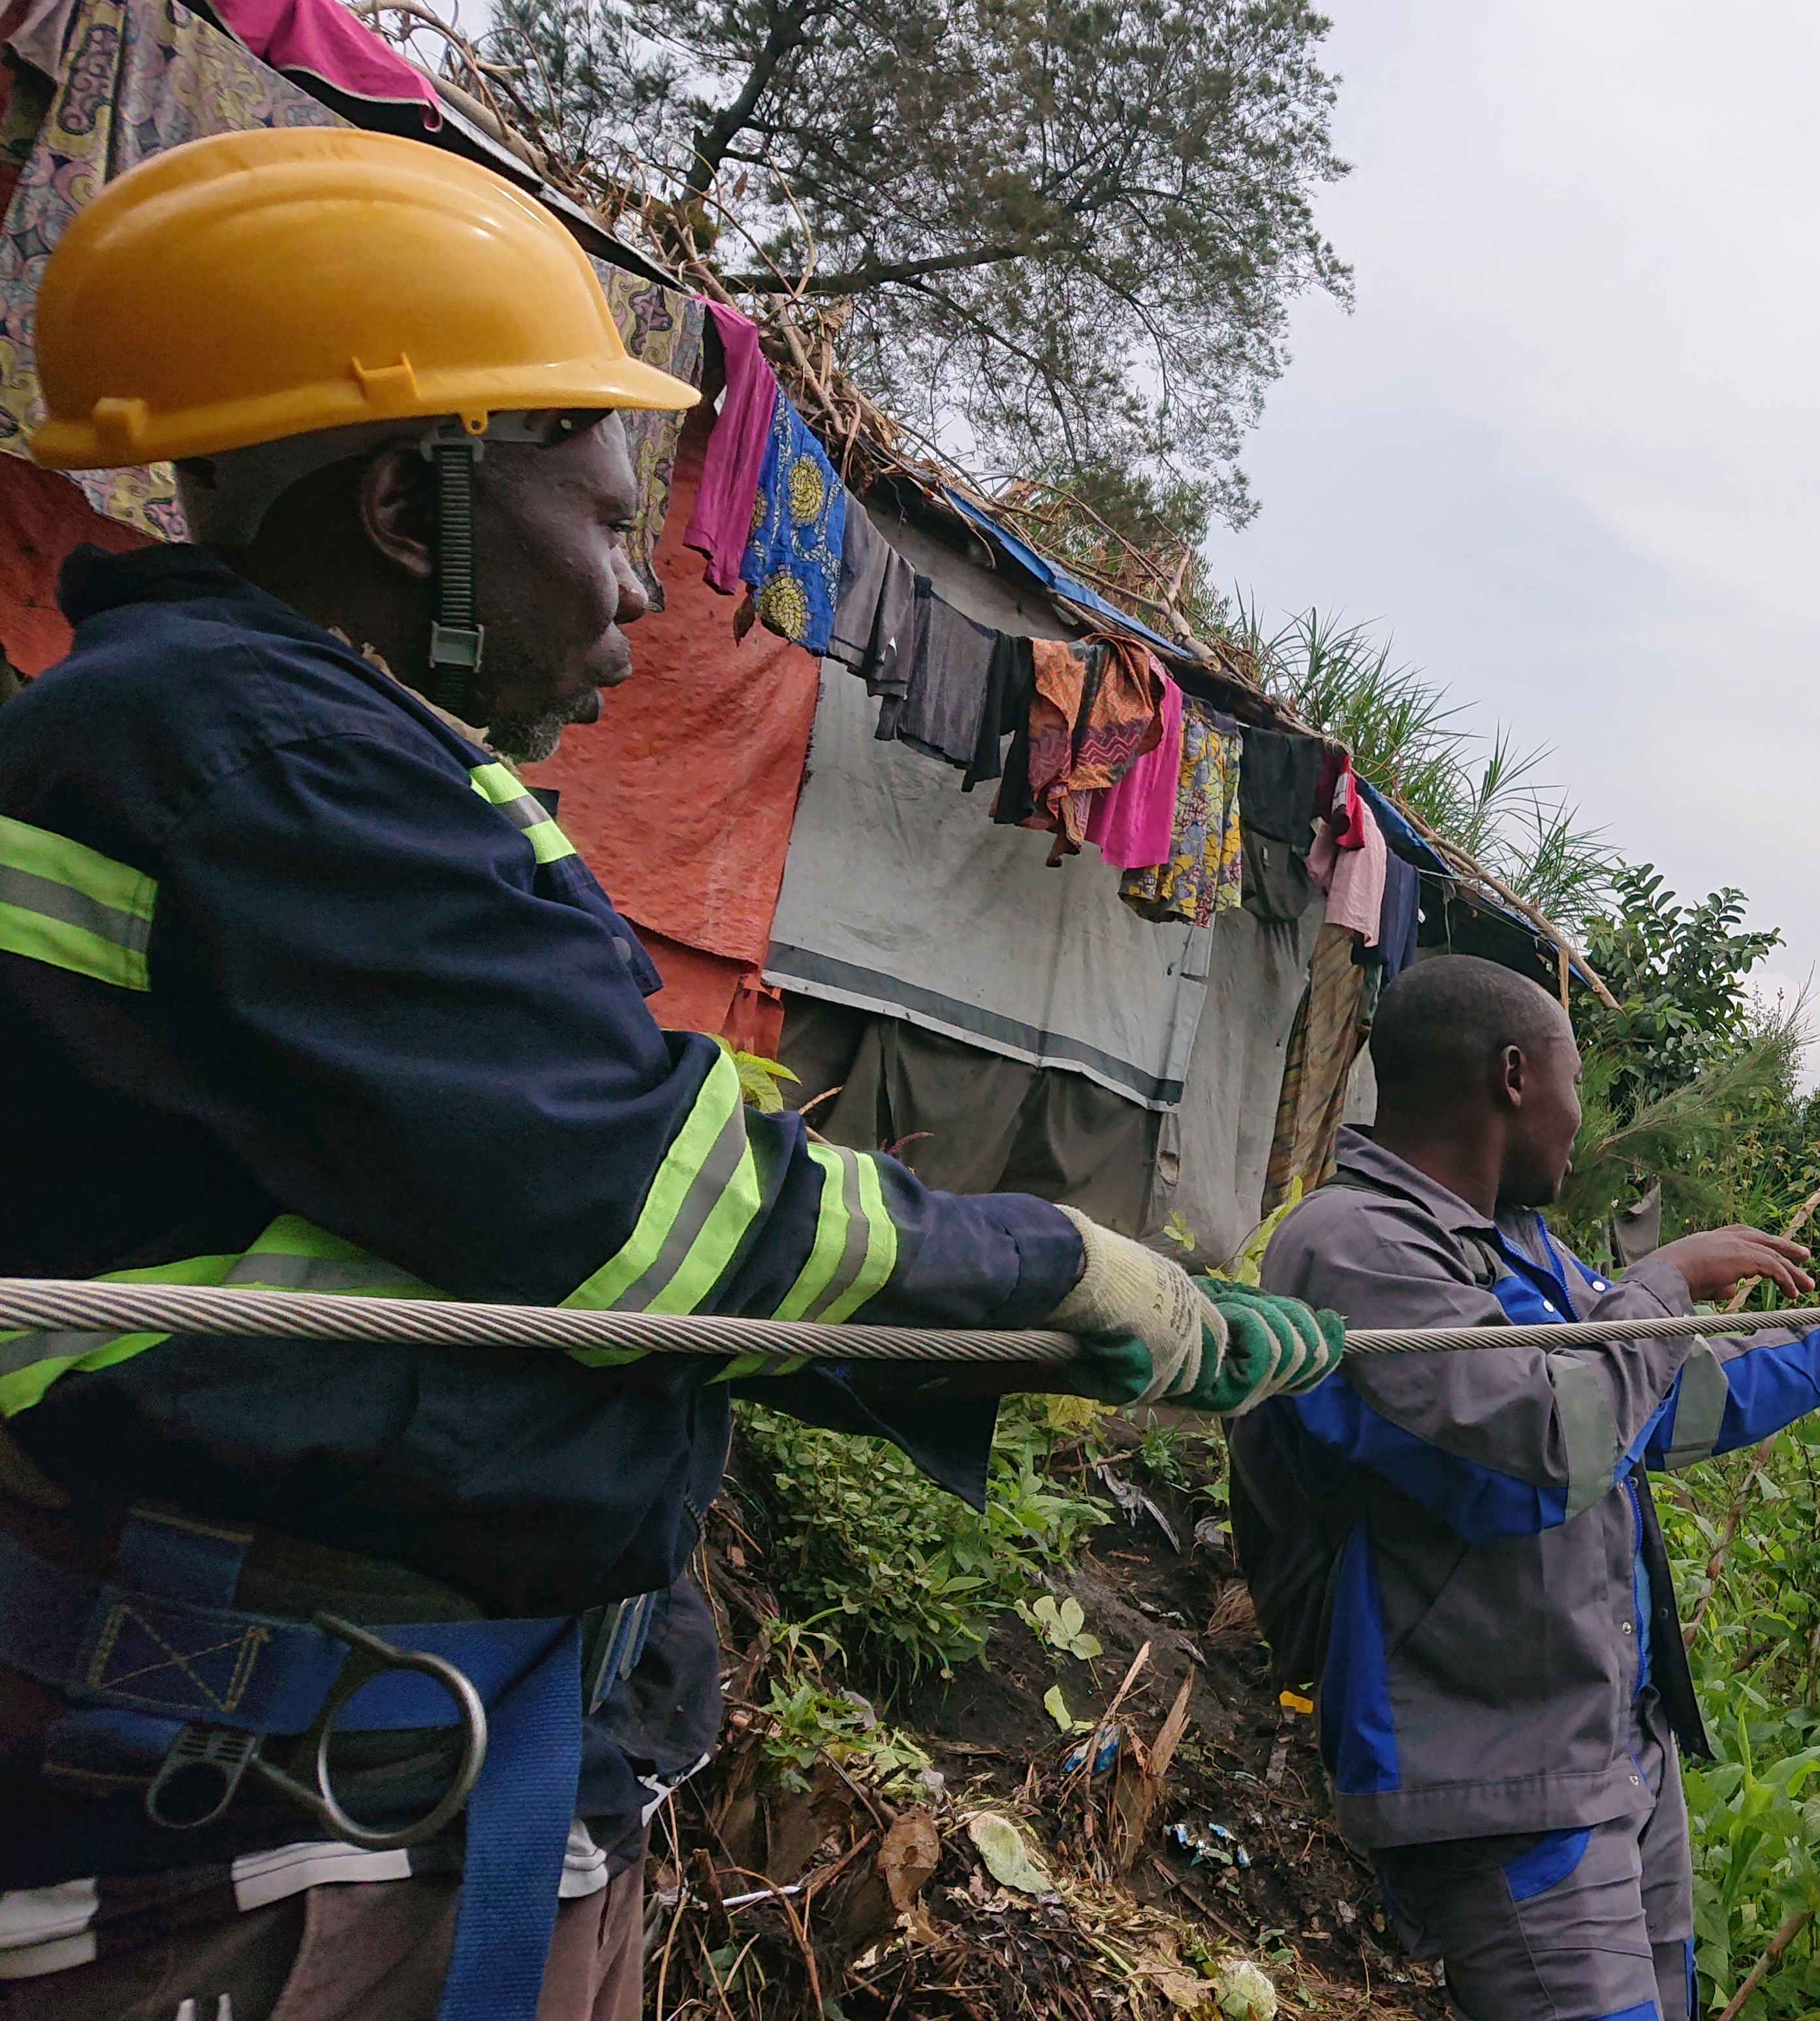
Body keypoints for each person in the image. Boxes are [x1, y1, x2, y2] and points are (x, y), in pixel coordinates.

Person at [0, 129, 1334, 2020]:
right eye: (613, 520)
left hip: (369, 1778)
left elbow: (485, 1234)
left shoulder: (257, 751)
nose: (642, 591)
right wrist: (1062, 1272)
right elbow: (647, 1215)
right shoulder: (267, 762)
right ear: (409, 510)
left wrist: (1019, 1336)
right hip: (285, 1855)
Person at [1229, 955, 1820, 2021]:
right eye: (1573, 1081)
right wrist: (1665, 1282)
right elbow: (1555, 1437)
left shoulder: (1524, 1253)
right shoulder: (1356, 1248)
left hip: (1611, 1750)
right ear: (1512, 1076)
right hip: (1500, 1771)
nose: (1580, 1119)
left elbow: (1665, 1407)